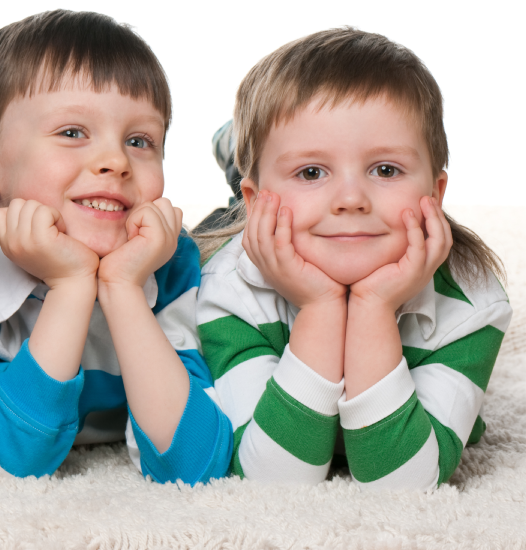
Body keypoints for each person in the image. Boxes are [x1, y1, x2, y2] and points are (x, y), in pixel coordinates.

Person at [194, 28, 511, 488]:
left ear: (436, 193)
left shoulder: (472, 303)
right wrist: (321, 308)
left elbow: (403, 486)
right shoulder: (226, 287)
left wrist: (372, 307)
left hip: (312, 226)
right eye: (311, 171)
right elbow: (271, 479)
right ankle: (235, 157)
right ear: (257, 198)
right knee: (209, 229)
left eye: (385, 169)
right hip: (249, 224)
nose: (351, 199)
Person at [0, 10, 233, 483]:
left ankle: (238, 155)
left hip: (213, 240)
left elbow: (192, 464)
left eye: (140, 141)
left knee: (237, 230)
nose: (116, 160)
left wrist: (123, 287)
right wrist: (70, 287)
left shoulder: (170, 262)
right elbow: (1, 464)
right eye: (72, 133)